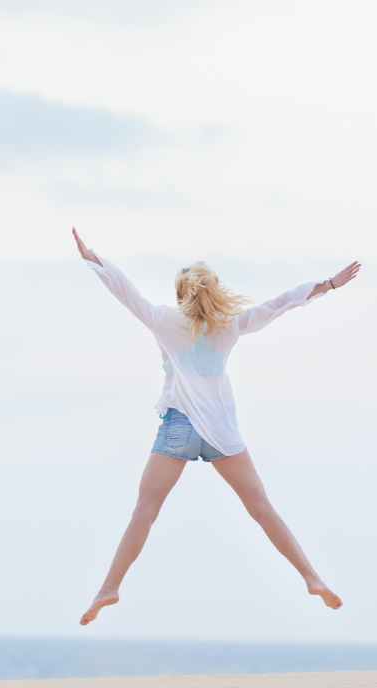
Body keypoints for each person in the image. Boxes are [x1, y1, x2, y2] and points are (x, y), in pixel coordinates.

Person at [72, 228, 360, 625]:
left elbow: (126, 292)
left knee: (145, 511)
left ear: (179, 295)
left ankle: (109, 587)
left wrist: (94, 259)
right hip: (222, 434)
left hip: (179, 429)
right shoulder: (231, 324)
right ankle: (311, 578)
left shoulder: (162, 320)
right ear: (215, 292)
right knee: (261, 509)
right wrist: (327, 285)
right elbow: (280, 304)